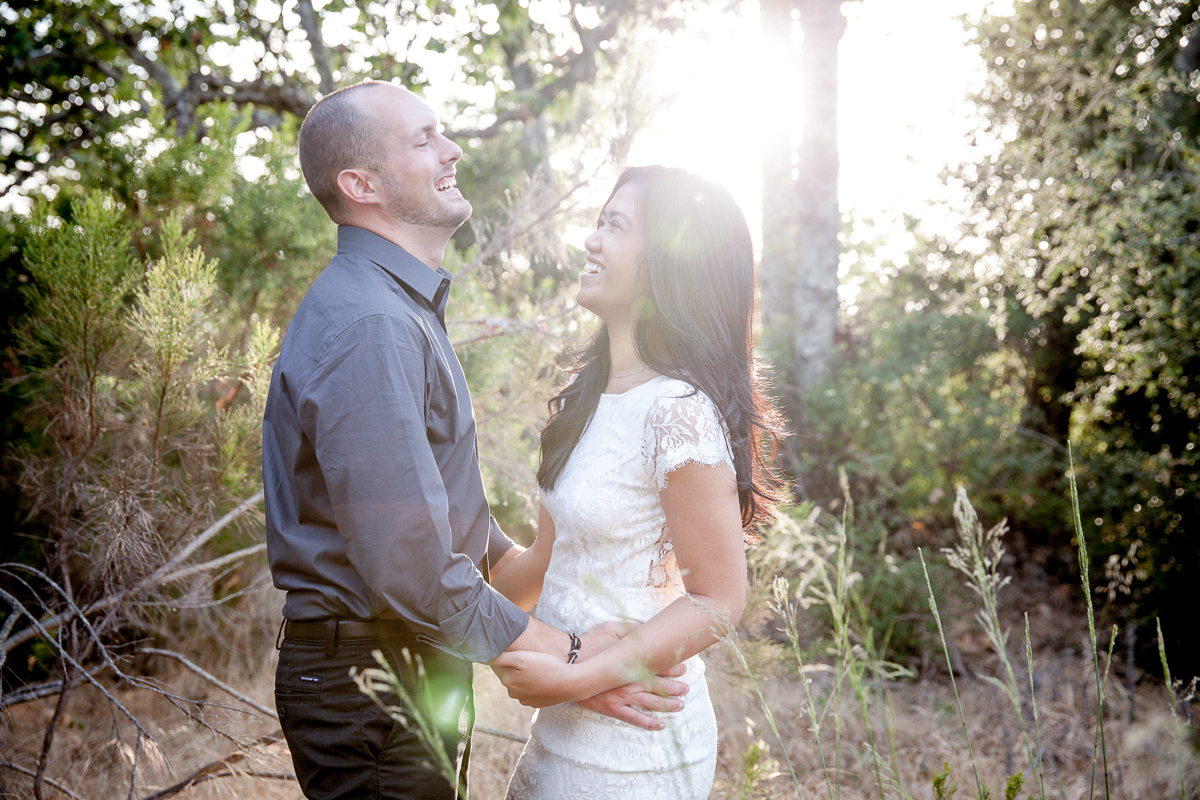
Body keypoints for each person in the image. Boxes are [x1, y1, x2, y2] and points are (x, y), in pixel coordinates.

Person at [262, 82, 687, 800]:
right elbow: (411, 561)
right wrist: (572, 655)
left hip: (405, 667)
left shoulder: (395, 306)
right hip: (374, 680)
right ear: (361, 185)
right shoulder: (372, 323)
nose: (452, 149)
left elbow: (428, 510)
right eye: (423, 139)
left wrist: (533, 557)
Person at [490, 166, 784, 799]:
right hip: (561, 727)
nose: (591, 239)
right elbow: (544, 561)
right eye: (600, 221)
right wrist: (450, 576)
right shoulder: (585, 396)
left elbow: (718, 598)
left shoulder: (678, 412)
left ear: (666, 267)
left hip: (634, 744)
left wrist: (573, 681)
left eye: (614, 226)